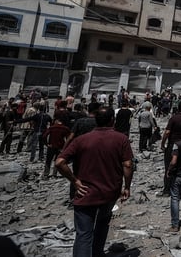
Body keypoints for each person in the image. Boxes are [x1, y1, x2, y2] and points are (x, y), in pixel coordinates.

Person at [56, 107, 134, 256]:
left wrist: (75, 181)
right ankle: (98, 253)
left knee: (83, 234)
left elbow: (60, 162)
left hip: (85, 192)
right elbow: (128, 165)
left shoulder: (81, 140)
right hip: (109, 192)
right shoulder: (121, 139)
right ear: (113, 120)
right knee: (102, 225)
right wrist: (127, 187)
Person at [161, 99, 181, 196]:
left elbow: (167, 132)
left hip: (173, 145)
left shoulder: (174, 118)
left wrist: (162, 143)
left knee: (169, 166)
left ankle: (167, 190)